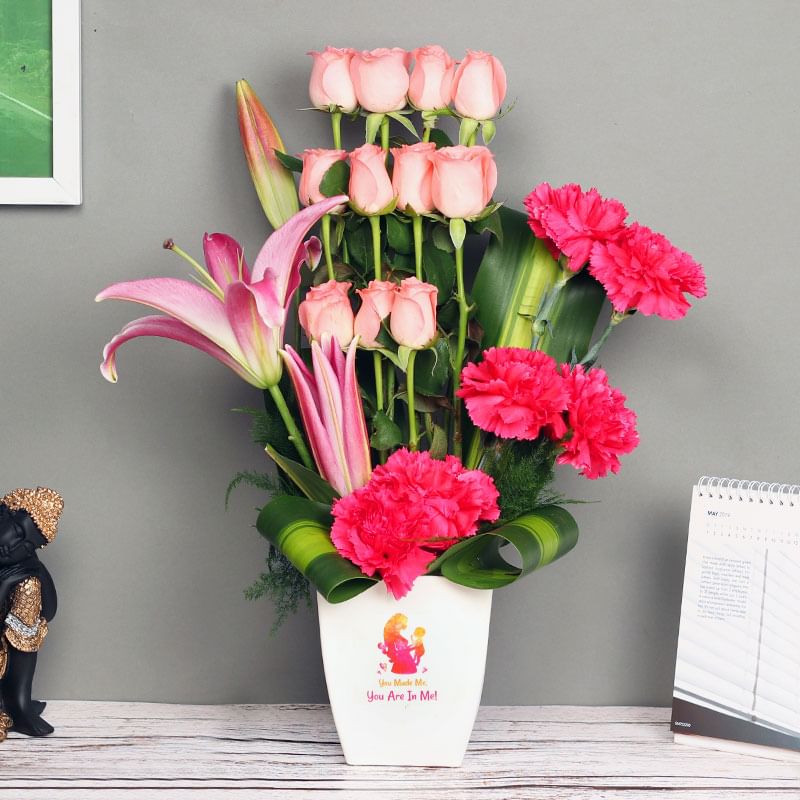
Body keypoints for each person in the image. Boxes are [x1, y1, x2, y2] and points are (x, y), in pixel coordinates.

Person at [0, 487, 62, 741]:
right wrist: (4, 585)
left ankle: (18, 699)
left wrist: (32, 570)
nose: (15, 548)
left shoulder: (23, 565)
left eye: (28, 546)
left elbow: (50, 610)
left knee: (30, 587)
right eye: (17, 533)